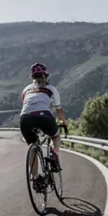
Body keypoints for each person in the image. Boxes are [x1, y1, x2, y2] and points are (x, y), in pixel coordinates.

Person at [18, 62, 67, 191]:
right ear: (46, 76)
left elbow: (26, 105)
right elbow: (59, 110)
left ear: (32, 78)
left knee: (33, 146)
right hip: (44, 116)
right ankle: (54, 155)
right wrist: (64, 122)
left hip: (25, 118)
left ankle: (35, 179)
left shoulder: (25, 89)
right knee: (55, 136)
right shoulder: (51, 88)